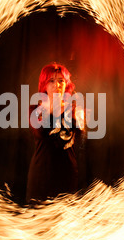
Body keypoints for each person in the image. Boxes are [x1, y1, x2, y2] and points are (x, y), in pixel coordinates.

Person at [26, 62, 85, 203]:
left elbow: (80, 141)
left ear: (66, 85)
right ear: (44, 85)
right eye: (51, 81)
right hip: (42, 174)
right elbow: (40, 132)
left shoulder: (74, 109)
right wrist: (54, 107)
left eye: (61, 81)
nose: (56, 85)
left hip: (67, 173)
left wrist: (76, 116)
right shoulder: (35, 109)